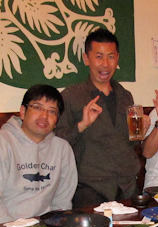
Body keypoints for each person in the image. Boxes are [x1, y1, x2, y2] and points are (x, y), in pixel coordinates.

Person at [55, 28, 149, 208]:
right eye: (99, 57)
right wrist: (81, 126)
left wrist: (140, 131)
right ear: (86, 58)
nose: (105, 64)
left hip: (127, 185)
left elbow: (129, 143)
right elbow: (56, 143)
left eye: (111, 57)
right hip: (90, 188)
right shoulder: (71, 96)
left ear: (117, 59)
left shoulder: (125, 96)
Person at [0, 84, 77, 224]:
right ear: (23, 111)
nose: (44, 116)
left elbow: (62, 201)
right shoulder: (0, 142)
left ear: (56, 121)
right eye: (37, 108)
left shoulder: (62, 149)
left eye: (52, 111)